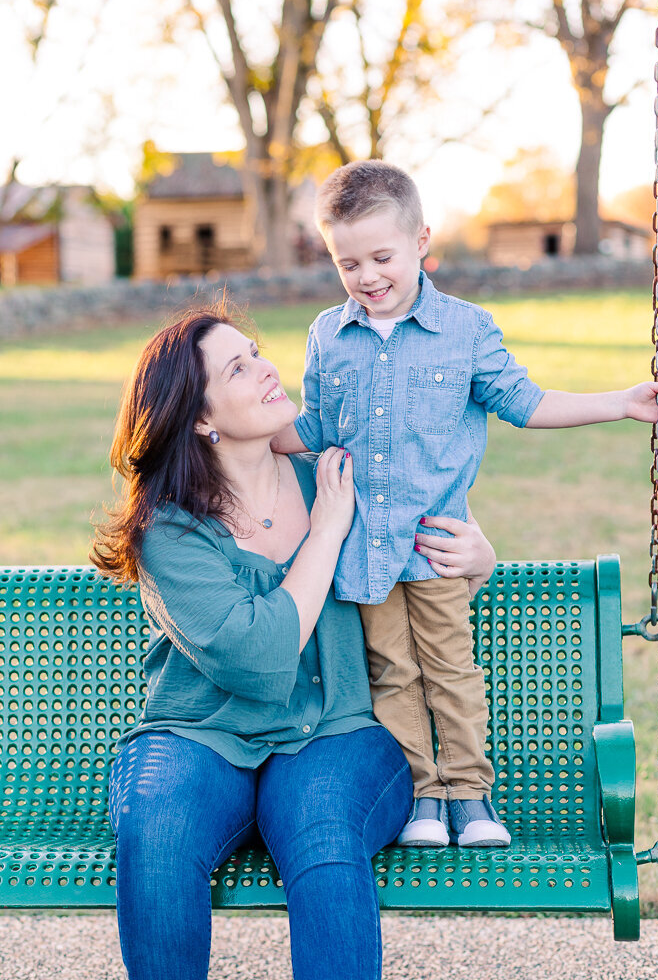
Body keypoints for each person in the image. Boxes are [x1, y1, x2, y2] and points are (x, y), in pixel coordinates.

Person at [90, 306, 497, 980]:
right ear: (199, 418)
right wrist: (327, 534)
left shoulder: (338, 475)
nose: (267, 369)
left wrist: (476, 557)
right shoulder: (169, 528)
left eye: (255, 351)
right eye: (237, 368)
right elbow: (257, 659)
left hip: (335, 731)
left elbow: (420, 590)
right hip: (199, 734)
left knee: (323, 833)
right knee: (154, 835)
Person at [271, 158, 658, 850]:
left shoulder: (465, 330)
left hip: (436, 545)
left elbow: (527, 402)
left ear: (422, 239)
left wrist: (619, 403)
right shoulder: (327, 337)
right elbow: (313, 429)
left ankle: (469, 794)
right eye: (347, 263)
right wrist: (232, 431)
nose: (366, 277)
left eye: (381, 257)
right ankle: (422, 795)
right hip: (363, 551)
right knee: (391, 673)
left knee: (449, 671)